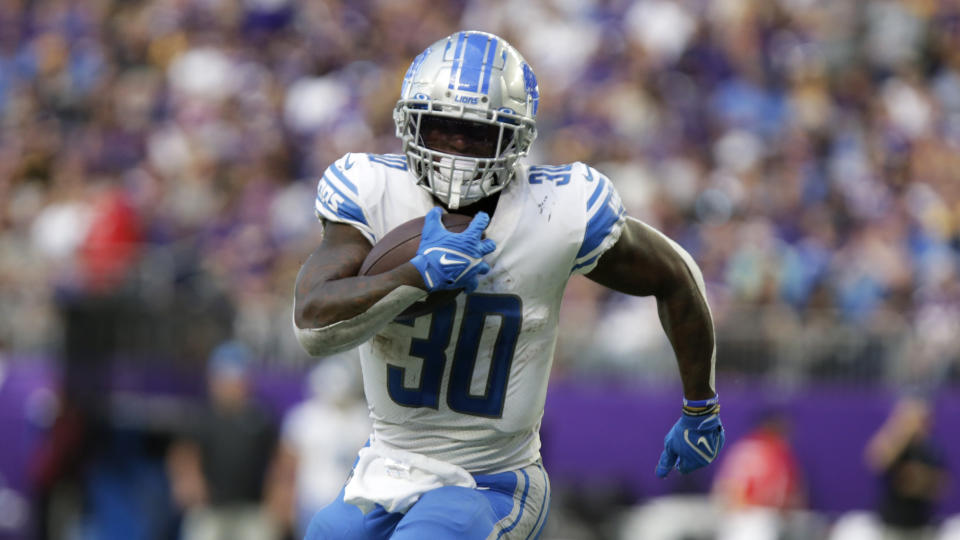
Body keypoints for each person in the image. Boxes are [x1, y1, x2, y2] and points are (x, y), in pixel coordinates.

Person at [292, 30, 724, 539]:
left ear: (515, 139)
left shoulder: (556, 212)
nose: (455, 148)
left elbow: (675, 274)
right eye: (440, 129)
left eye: (475, 134)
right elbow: (313, 323)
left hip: (492, 481)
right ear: (409, 124)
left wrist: (701, 404)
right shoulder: (373, 194)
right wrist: (413, 276)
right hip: (385, 469)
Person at [167, 341, 281, 540]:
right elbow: (182, 453)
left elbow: (277, 459)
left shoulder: (260, 418)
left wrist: (278, 494)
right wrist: (187, 480)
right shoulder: (202, 417)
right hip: (210, 508)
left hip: (252, 508)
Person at [864, 395, 948, 540]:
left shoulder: (930, 450)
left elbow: (941, 485)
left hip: (922, 524)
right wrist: (901, 432)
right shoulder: (896, 446)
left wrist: (919, 480)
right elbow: (877, 461)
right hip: (892, 526)